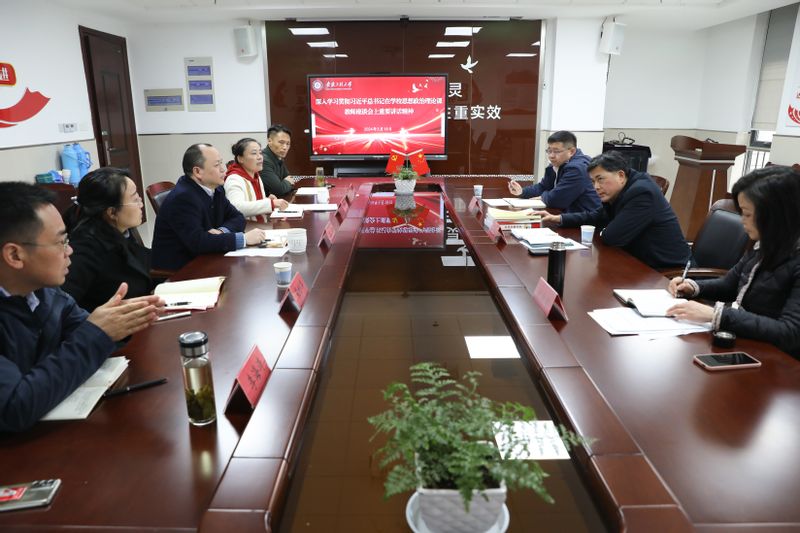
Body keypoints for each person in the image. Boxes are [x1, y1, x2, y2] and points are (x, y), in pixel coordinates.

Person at [0, 183, 163, 432]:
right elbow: (14, 406)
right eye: (61, 242)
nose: (70, 250)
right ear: (14, 255)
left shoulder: (46, 292)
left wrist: (118, 322)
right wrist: (98, 332)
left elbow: (88, 334)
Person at [667, 166, 800, 358]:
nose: (742, 221)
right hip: (751, 345)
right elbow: (730, 284)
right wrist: (694, 287)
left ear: (775, 214)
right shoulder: (766, 244)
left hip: (781, 362)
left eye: (747, 214)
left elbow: (791, 333)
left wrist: (717, 315)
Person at [538, 151, 690, 269]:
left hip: (664, 271)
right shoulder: (620, 190)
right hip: (635, 262)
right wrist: (560, 218)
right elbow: (598, 216)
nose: (596, 187)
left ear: (621, 175)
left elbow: (611, 237)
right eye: (592, 181)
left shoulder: (642, 193)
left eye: (600, 179)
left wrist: (605, 230)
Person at [151, 143, 267, 271]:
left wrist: (221, 232)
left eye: (221, 163)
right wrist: (243, 239)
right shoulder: (183, 198)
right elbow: (198, 242)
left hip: (207, 259)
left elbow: (238, 217)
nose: (223, 170)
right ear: (197, 172)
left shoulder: (216, 189)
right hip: (182, 269)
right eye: (217, 165)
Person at [61, 167, 155, 312]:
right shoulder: (85, 249)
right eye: (135, 199)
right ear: (112, 212)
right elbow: (63, 307)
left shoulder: (121, 232)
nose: (141, 204)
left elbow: (145, 261)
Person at [507, 131, 600, 213]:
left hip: (584, 219)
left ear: (571, 151)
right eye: (549, 151)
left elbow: (558, 199)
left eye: (556, 151)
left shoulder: (577, 169)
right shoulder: (557, 163)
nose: (551, 156)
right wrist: (522, 192)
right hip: (565, 213)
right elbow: (543, 187)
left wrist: (542, 197)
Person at [225, 137, 289, 222]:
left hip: (259, 225)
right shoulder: (234, 179)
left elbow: (251, 201)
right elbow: (236, 207)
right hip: (247, 228)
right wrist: (270, 204)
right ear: (240, 159)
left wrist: (267, 200)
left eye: (260, 153)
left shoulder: (255, 175)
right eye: (254, 153)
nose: (260, 157)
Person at [260, 124, 295, 196]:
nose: (285, 147)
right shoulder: (263, 160)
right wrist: (286, 183)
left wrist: (285, 183)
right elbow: (279, 189)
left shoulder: (277, 157)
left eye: (288, 144)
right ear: (269, 141)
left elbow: (289, 178)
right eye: (281, 142)